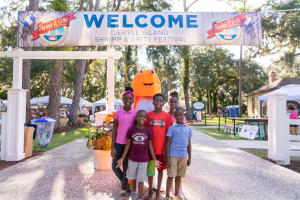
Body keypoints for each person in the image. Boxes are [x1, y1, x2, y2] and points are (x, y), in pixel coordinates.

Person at [116, 110, 161, 200]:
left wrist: (155, 159)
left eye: (144, 117)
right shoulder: (131, 130)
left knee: (141, 180)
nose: (142, 118)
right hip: (132, 159)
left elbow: (150, 145)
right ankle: (134, 191)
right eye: (140, 116)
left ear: (146, 119)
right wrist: (122, 158)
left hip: (144, 160)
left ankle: (139, 197)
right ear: (136, 118)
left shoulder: (148, 130)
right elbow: (128, 144)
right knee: (132, 178)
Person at [111, 86, 137, 199]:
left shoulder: (135, 113)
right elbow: (114, 130)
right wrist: (112, 147)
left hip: (129, 145)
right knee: (114, 166)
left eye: (130, 99)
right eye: (126, 98)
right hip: (118, 144)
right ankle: (126, 184)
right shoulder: (117, 113)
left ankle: (124, 189)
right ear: (122, 100)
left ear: (133, 100)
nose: (128, 101)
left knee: (126, 167)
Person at [146, 93, 172, 200]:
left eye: (161, 101)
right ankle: (151, 191)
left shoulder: (167, 117)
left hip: (162, 150)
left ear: (163, 103)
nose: (158, 103)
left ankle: (158, 194)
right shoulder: (148, 115)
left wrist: (168, 151)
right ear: (153, 102)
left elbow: (169, 135)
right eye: (156, 100)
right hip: (150, 150)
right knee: (151, 171)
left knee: (160, 171)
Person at [165, 107, 192, 200]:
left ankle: (176, 195)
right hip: (173, 155)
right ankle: (167, 196)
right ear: (174, 116)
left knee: (179, 176)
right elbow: (168, 143)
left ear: (183, 115)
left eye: (181, 115)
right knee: (170, 176)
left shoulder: (188, 129)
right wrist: (167, 158)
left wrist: (190, 158)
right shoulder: (171, 128)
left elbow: (189, 144)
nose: (179, 117)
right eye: (177, 115)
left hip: (183, 156)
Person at [168, 90, 186, 197]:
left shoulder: (181, 116)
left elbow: (184, 132)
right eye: (171, 102)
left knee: (179, 172)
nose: (173, 105)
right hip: (170, 147)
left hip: (179, 148)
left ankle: (179, 189)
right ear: (168, 103)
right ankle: (170, 188)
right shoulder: (166, 115)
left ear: (178, 102)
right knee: (171, 171)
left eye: (175, 102)